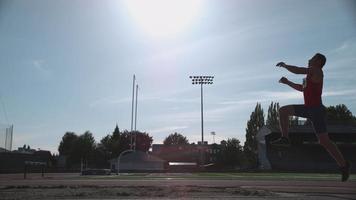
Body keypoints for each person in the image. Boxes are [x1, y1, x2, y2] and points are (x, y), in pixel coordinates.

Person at [271, 53, 350, 182]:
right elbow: (302, 89)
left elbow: (297, 70)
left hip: (317, 110)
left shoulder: (317, 71)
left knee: (324, 141)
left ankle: (344, 165)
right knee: (283, 111)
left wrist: (285, 65)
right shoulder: (308, 76)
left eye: (312, 58)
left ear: (318, 61)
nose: (309, 59)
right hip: (308, 108)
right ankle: (285, 137)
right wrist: (288, 82)